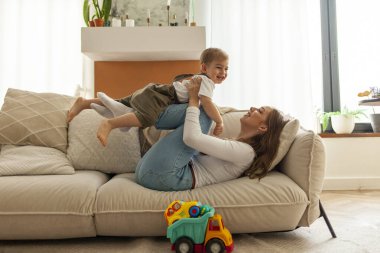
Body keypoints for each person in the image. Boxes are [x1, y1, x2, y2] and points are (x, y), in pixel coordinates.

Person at [134, 77, 289, 191]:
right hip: (153, 171)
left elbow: (191, 138)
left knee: (206, 112)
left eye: (259, 111)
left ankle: (143, 115)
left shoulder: (246, 153)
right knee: (205, 111)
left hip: (166, 175)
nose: (253, 108)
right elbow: (195, 142)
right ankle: (142, 115)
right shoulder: (238, 145)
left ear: (263, 128)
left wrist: (194, 99)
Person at [67, 48, 229, 146]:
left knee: (121, 104)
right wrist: (219, 120)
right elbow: (207, 103)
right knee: (147, 118)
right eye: (219, 67)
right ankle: (110, 124)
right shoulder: (206, 82)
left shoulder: (199, 78)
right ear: (204, 68)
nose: (223, 73)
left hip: (154, 90)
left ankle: (84, 102)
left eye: (226, 69)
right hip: (162, 96)